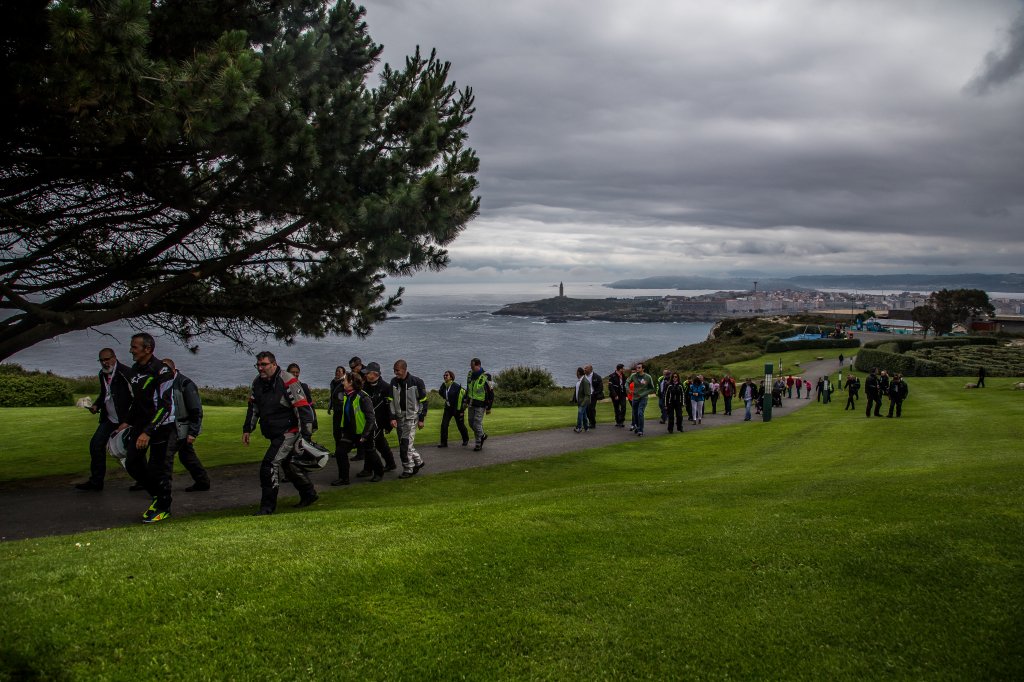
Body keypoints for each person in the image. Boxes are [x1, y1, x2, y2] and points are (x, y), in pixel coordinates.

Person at [243, 351, 318, 515]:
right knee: (288, 465)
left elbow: (303, 409)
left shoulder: (287, 380)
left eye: (264, 365)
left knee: (269, 465)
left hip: (288, 432)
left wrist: (305, 436)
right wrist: (248, 428)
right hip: (274, 431)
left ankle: (267, 507)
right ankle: (309, 494)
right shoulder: (258, 382)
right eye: (258, 365)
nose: (260, 368)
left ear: (274, 364)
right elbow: (253, 407)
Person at [122, 333, 178, 523]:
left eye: (135, 347)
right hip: (140, 424)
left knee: (157, 468)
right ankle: (156, 494)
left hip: (161, 426)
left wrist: (148, 431)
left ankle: (163, 506)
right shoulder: (135, 369)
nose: (131, 350)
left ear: (148, 349)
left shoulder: (162, 371)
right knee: (132, 463)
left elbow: (165, 406)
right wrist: (126, 423)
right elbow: (136, 402)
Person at [75, 348, 133, 492]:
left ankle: (143, 480)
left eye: (107, 359)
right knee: (95, 445)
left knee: (131, 450)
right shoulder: (102, 374)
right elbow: (104, 393)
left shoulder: (126, 373)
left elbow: (136, 398)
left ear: (114, 358)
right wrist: (96, 405)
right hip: (109, 418)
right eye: (101, 360)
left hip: (124, 419)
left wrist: (129, 420)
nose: (104, 363)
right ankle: (96, 482)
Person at [162, 358, 211, 492]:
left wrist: (192, 432)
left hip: (181, 427)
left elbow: (196, 410)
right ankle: (202, 481)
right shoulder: (165, 383)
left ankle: (163, 489)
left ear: (173, 369)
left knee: (166, 456)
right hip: (171, 425)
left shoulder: (185, 383)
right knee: (186, 456)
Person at [331, 372, 382, 485]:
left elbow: (370, 417)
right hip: (351, 432)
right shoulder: (347, 395)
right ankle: (344, 478)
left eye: (345, 380)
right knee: (340, 452)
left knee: (370, 452)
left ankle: (379, 473)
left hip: (364, 431)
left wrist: (365, 434)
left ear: (351, 383)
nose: (343, 381)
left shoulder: (363, 397)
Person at [390, 359, 428, 477]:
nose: (396, 373)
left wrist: (421, 419)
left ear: (404, 369)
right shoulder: (393, 382)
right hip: (399, 417)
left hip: (411, 418)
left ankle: (408, 469)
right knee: (404, 443)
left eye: (398, 370)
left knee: (405, 444)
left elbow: (424, 402)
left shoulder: (417, 382)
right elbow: (390, 401)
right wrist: (392, 417)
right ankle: (418, 461)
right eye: (394, 370)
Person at [360, 362, 398, 474]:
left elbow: (390, 406)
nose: (365, 375)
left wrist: (389, 424)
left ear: (375, 374)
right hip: (369, 420)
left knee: (369, 443)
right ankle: (391, 464)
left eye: (367, 373)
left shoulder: (386, 387)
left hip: (380, 421)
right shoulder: (364, 386)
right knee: (381, 443)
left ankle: (368, 469)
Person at [466, 358, 494, 451]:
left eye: (472, 366)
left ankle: (478, 443)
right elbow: (468, 388)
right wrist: (465, 401)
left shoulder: (487, 376)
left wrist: (489, 407)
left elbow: (491, 392)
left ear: (478, 365)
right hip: (471, 402)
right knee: (471, 423)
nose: (471, 367)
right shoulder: (470, 374)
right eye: (471, 366)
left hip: (481, 404)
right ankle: (483, 435)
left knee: (477, 423)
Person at [437, 370, 469, 448]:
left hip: (457, 409)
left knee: (460, 425)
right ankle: (444, 443)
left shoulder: (456, 386)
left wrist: (462, 410)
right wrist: (446, 398)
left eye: (446, 375)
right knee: (444, 425)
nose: (444, 376)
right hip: (448, 409)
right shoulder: (443, 385)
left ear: (451, 377)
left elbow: (464, 397)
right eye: (444, 375)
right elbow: (441, 392)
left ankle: (465, 439)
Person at [286, 363, 318, 433]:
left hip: (302, 421)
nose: (295, 374)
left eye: (297, 372)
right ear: (288, 373)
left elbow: (310, 406)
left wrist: (313, 424)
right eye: (292, 372)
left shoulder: (304, 387)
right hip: (287, 422)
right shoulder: (283, 387)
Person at [626, 362, 655, 436]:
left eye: (639, 368)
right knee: (635, 414)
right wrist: (628, 389)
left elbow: (651, 388)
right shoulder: (633, 375)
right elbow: (627, 383)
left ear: (643, 369)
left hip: (643, 398)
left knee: (640, 413)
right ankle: (637, 426)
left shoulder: (648, 377)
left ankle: (640, 430)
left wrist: (645, 393)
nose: (637, 369)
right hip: (635, 397)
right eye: (637, 367)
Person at [572, 367, 591, 433]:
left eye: (576, 372)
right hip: (579, 401)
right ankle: (586, 427)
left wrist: (583, 403)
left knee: (580, 413)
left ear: (578, 373)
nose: (576, 373)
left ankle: (579, 427)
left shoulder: (585, 381)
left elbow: (587, 394)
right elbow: (577, 391)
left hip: (583, 402)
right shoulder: (579, 381)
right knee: (584, 415)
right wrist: (574, 399)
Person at [585, 364, 603, 429]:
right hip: (586, 396)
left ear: (590, 369)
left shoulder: (597, 377)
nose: (584, 369)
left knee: (591, 409)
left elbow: (600, 387)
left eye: (586, 368)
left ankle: (593, 423)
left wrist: (594, 393)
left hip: (593, 395)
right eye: (584, 368)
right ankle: (591, 421)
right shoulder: (583, 377)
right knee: (587, 410)